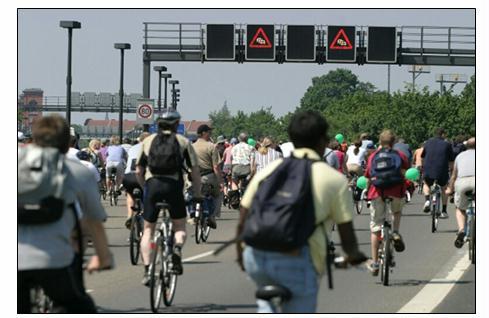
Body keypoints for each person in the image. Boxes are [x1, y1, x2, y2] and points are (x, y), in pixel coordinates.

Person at [236, 111, 366, 313]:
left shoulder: (270, 170)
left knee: (266, 302)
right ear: (323, 140)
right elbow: (347, 236)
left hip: (256, 256)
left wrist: (241, 256)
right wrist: (354, 255)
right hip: (298, 258)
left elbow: (244, 217)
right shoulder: (334, 180)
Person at [18, 114, 113, 313]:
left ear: (34, 140)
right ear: (67, 145)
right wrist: (103, 257)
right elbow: (94, 220)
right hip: (52, 261)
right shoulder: (78, 171)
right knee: (81, 307)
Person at [135, 109, 203, 285]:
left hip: (153, 186)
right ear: (176, 125)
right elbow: (195, 172)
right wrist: (197, 194)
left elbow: (138, 170)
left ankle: (148, 269)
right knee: (179, 226)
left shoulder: (148, 141)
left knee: (148, 230)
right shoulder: (183, 142)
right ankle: (177, 250)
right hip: (173, 187)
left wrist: (145, 188)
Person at [364, 129, 409, 276]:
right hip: (396, 191)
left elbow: (368, 176)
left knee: (376, 228)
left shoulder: (373, 156)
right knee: (396, 211)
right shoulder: (399, 155)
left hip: (377, 193)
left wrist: (366, 191)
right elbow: (406, 171)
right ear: (393, 142)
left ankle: (375, 263)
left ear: (380, 141)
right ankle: (395, 232)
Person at [446, 137, 475, 248]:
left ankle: (462, 230)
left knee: (460, 208)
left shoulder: (459, 156)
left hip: (462, 182)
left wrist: (450, 189)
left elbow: (453, 176)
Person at [192, 124, 223, 227]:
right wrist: (220, 182)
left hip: (193, 177)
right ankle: (212, 217)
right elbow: (216, 167)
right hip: (208, 176)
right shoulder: (211, 147)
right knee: (218, 195)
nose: (211, 134)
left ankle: (192, 214)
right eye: (209, 132)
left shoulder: (191, 147)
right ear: (204, 133)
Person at [421, 128, 455, 218]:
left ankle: (427, 200)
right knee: (444, 188)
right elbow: (451, 161)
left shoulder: (428, 142)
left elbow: (422, 157)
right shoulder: (447, 144)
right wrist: (451, 170)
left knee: (426, 183)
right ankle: (444, 210)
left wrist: (423, 167)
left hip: (428, 169)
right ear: (443, 134)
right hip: (441, 171)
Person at [122, 132, 150, 229]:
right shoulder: (150, 148)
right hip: (142, 176)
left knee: (130, 194)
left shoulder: (132, 148)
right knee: (147, 194)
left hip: (128, 176)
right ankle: (145, 216)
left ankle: (130, 216)